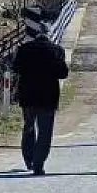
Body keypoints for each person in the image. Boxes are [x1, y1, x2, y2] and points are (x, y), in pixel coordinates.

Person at [11, 31, 69, 176]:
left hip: (28, 95)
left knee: (28, 127)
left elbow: (16, 68)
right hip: (48, 97)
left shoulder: (24, 49)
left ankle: (29, 159)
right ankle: (39, 164)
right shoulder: (56, 50)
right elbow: (63, 73)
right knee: (45, 131)